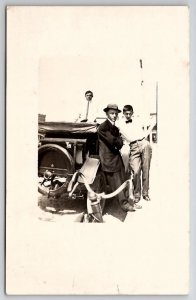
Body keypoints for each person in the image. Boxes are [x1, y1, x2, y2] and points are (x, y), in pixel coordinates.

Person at [97, 104, 135, 212]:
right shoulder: (103, 127)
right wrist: (119, 141)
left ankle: (126, 199)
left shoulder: (113, 126)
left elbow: (117, 141)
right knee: (117, 181)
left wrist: (118, 141)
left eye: (116, 114)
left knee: (123, 177)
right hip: (108, 159)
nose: (114, 116)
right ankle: (124, 204)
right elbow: (114, 141)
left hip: (115, 157)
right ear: (107, 114)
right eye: (112, 113)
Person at [118, 104, 155, 205]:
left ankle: (145, 193)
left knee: (146, 169)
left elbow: (152, 121)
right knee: (136, 171)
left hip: (144, 143)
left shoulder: (138, 120)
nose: (128, 115)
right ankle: (137, 194)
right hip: (133, 146)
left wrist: (146, 136)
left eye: (130, 113)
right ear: (123, 114)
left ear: (132, 113)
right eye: (126, 114)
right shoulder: (119, 125)